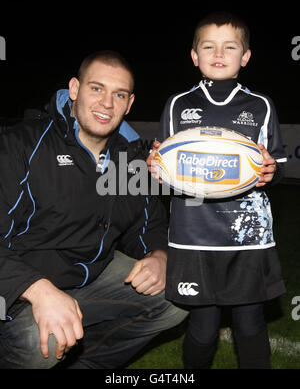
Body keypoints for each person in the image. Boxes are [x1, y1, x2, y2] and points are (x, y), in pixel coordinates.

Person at [0, 50, 188, 369]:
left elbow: (149, 222)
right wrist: (38, 290)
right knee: (43, 342)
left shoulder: (127, 161)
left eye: (119, 95)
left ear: (129, 105)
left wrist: (159, 255)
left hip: (90, 274)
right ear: (75, 89)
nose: (106, 104)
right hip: (19, 287)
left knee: (176, 297)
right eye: (96, 88)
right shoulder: (20, 146)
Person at [147, 12, 286, 369]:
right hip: (194, 237)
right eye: (208, 46)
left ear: (246, 56)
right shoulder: (178, 104)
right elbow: (167, 168)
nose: (218, 53)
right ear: (195, 56)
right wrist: (157, 168)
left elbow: (278, 167)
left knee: (250, 325)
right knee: (203, 328)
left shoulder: (261, 106)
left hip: (247, 239)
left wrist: (272, 170)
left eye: (230, 46)